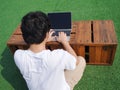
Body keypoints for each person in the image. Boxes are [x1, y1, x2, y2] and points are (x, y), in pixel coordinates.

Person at [14, 11, 86, 90]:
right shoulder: (58, 56)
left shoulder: (18, 55)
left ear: (24, 36)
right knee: (81, 60)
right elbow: (75, 62)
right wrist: (65, 42)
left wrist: (43, 39)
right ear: (47, 34)